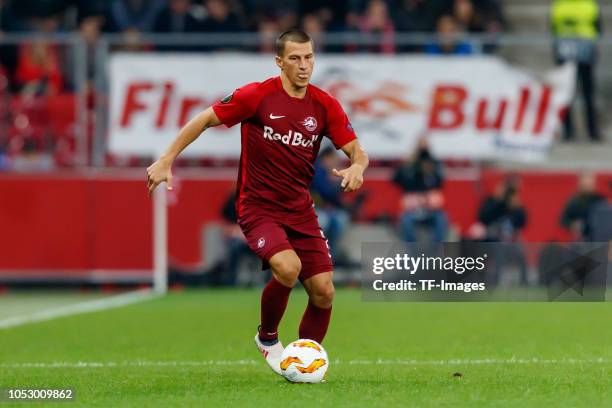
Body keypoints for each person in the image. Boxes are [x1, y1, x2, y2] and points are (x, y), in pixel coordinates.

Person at [146, 30, 368, 376]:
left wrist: (357, 166)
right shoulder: (257, 97)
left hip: (300, 210)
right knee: (288, 267)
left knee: (324, 291)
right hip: (257, 207)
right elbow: (204, 119)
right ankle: (267, 338)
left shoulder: (324, 105)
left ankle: (304, 363)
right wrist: (166, 159)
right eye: (295, 58)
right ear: (279, 61)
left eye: (309, 57)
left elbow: (357, 150)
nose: (304, 65)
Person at [551, 0, 602, 142]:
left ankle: (569, 133)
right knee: (587, 94)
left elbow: (553, 28)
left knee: (569, 94)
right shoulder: (589, 4)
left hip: (565, 52)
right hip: (585, 51)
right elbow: (598, 28)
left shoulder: (559, 5)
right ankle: (592, 132)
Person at [393, 138, 448, 244]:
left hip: (431, 211)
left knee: (441, 218)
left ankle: (437, 249)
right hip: (412, 210)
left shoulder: (434, 166)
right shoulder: (411, 168)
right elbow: (397, 179)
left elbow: (439, 184)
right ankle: (411, 250)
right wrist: (407, 163)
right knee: (406, 220)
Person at [560, 172, 605, 242]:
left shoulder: (600, 199)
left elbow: (607, 219)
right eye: (586, 184)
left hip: (598, 241)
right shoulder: (574, 201)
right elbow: (563, 220)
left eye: (590, 183)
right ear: (580, 184)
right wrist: (573, 225)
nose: (588, 186)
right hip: (580, 241)